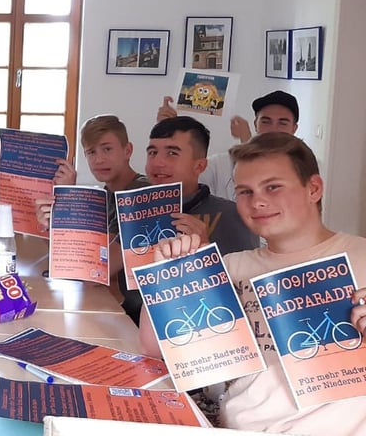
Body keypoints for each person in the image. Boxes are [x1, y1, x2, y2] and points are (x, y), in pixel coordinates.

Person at [138, 133, 366, 435]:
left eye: (273, 187)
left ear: (313, 188)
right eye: (244, 191)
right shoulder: (231, 267)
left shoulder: (361, 257)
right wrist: (167, 273)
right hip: (238, 426)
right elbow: (154, 348)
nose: (257, 201)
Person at [118, 116, 260, 324]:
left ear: (199, 166)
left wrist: (204, 251)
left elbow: (244, 294)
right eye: (152, 152)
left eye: (172, 153)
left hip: (197, 328)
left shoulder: (230, 213)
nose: (158, 162)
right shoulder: (131, 209)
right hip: (130, 321)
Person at [37, 115, 150, 297]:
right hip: (104, 297)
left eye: (107, 149)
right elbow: (66, 258)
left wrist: (68, 201)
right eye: (91, 152)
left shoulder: (141, 194)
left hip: (131, 311)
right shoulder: (104, 195)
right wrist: (54, 218)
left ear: (127, 150)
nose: (98, 160)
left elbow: (97, 268)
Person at [157, 90, 299, 199]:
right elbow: (179, 184)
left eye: (282, 122)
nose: (273, 129)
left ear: (294, 128)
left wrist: (247, 141)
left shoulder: (303, 166)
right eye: (266, 121)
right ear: (256, 124)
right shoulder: (220, 163)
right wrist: (169, 134)